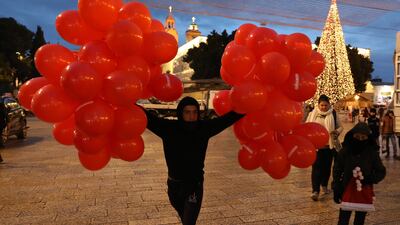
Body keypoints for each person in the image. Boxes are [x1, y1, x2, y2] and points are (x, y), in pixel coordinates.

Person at [141, 96, 243, 225]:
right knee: (185, 219)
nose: (192, 116)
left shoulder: (203, 128)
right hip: (174, 186)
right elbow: (148, 118)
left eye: (195, 112)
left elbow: (227, 120)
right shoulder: (168, 129)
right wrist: (128, 103)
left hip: (193, 186)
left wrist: (248, 107)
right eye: (187, 112)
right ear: (180, 113)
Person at [332, 122, 386, 225]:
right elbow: (337, 170)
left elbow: (381, 171)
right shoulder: (345, 151)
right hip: (346, 188)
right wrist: (336, 187)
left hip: (364, 191)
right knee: (343, 219)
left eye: (363, 137)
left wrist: (370, 179)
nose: (360, 140)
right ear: (352, 136)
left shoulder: (371, 153)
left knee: (360, 220)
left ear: (367, 138)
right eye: (357, 137)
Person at [306, 94, 343, 201]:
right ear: (318, 105)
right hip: (316, 147)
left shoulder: (333, 114)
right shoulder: (312, 114)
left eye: (326, 105)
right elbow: (307, 127)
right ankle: (315, 190)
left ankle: (324, 185)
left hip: (329, 146)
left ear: (329, 105)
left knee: (327, 168)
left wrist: (336, 131)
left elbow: (340, 127)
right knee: (316, 168)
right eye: (322, 105)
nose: (324, 107)